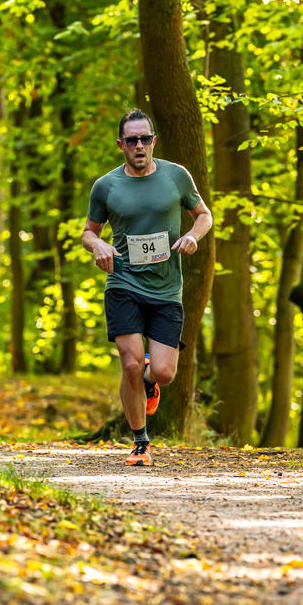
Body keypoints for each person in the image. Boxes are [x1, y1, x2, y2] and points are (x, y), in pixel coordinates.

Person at [82, 109, 213, 467]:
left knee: (164, 373)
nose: (139, 146)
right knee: (129, 361)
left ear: (154, 141)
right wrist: (99, 246)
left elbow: (204, 215)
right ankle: (140, 442)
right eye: (132, 140)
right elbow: (89, 232)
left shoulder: (176, 177)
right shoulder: (106, 186)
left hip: (167, 289)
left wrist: (191, 236)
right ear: (121, 145)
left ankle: (148, 379)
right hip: (123, 283)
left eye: (145, 139)